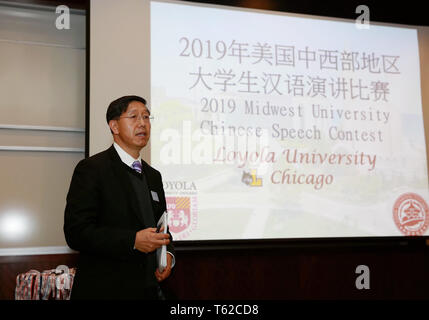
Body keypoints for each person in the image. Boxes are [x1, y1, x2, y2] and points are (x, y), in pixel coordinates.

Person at [64, 95, 174, 300]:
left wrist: (168, 254)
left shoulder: (153, 175)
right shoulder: (92, 169)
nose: (142, 123)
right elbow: (76, 232)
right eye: (134, 117)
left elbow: (162, 226)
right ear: (114, 126)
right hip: (107, 290)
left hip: (151, 290)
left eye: (147, 117)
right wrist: (132, 241)